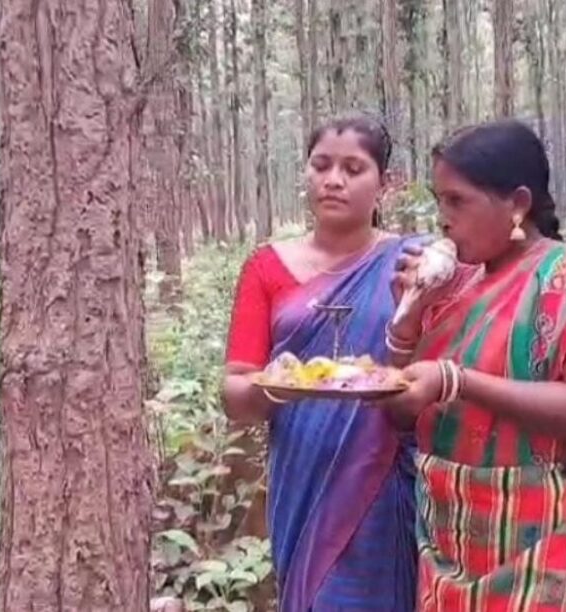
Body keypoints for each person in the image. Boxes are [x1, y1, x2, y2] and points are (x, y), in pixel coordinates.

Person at [381, 119, 566, 611]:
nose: (443, 219)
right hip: (452, 547)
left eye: (457, 201)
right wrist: (408, 314)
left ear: (518, 204)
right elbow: (403, 412)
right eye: (439, 202)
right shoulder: (453, 291)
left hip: (554, 548)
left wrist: (456, 379)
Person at [221, 113, 419, 611]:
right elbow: (236, 396)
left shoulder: (411, 262)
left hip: (383, 478)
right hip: (301, 477)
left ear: (385, 184)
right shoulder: (267, 267)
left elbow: (433, 375)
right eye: (321, 165)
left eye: (354, 169)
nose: (334, 180)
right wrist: (275, 388)